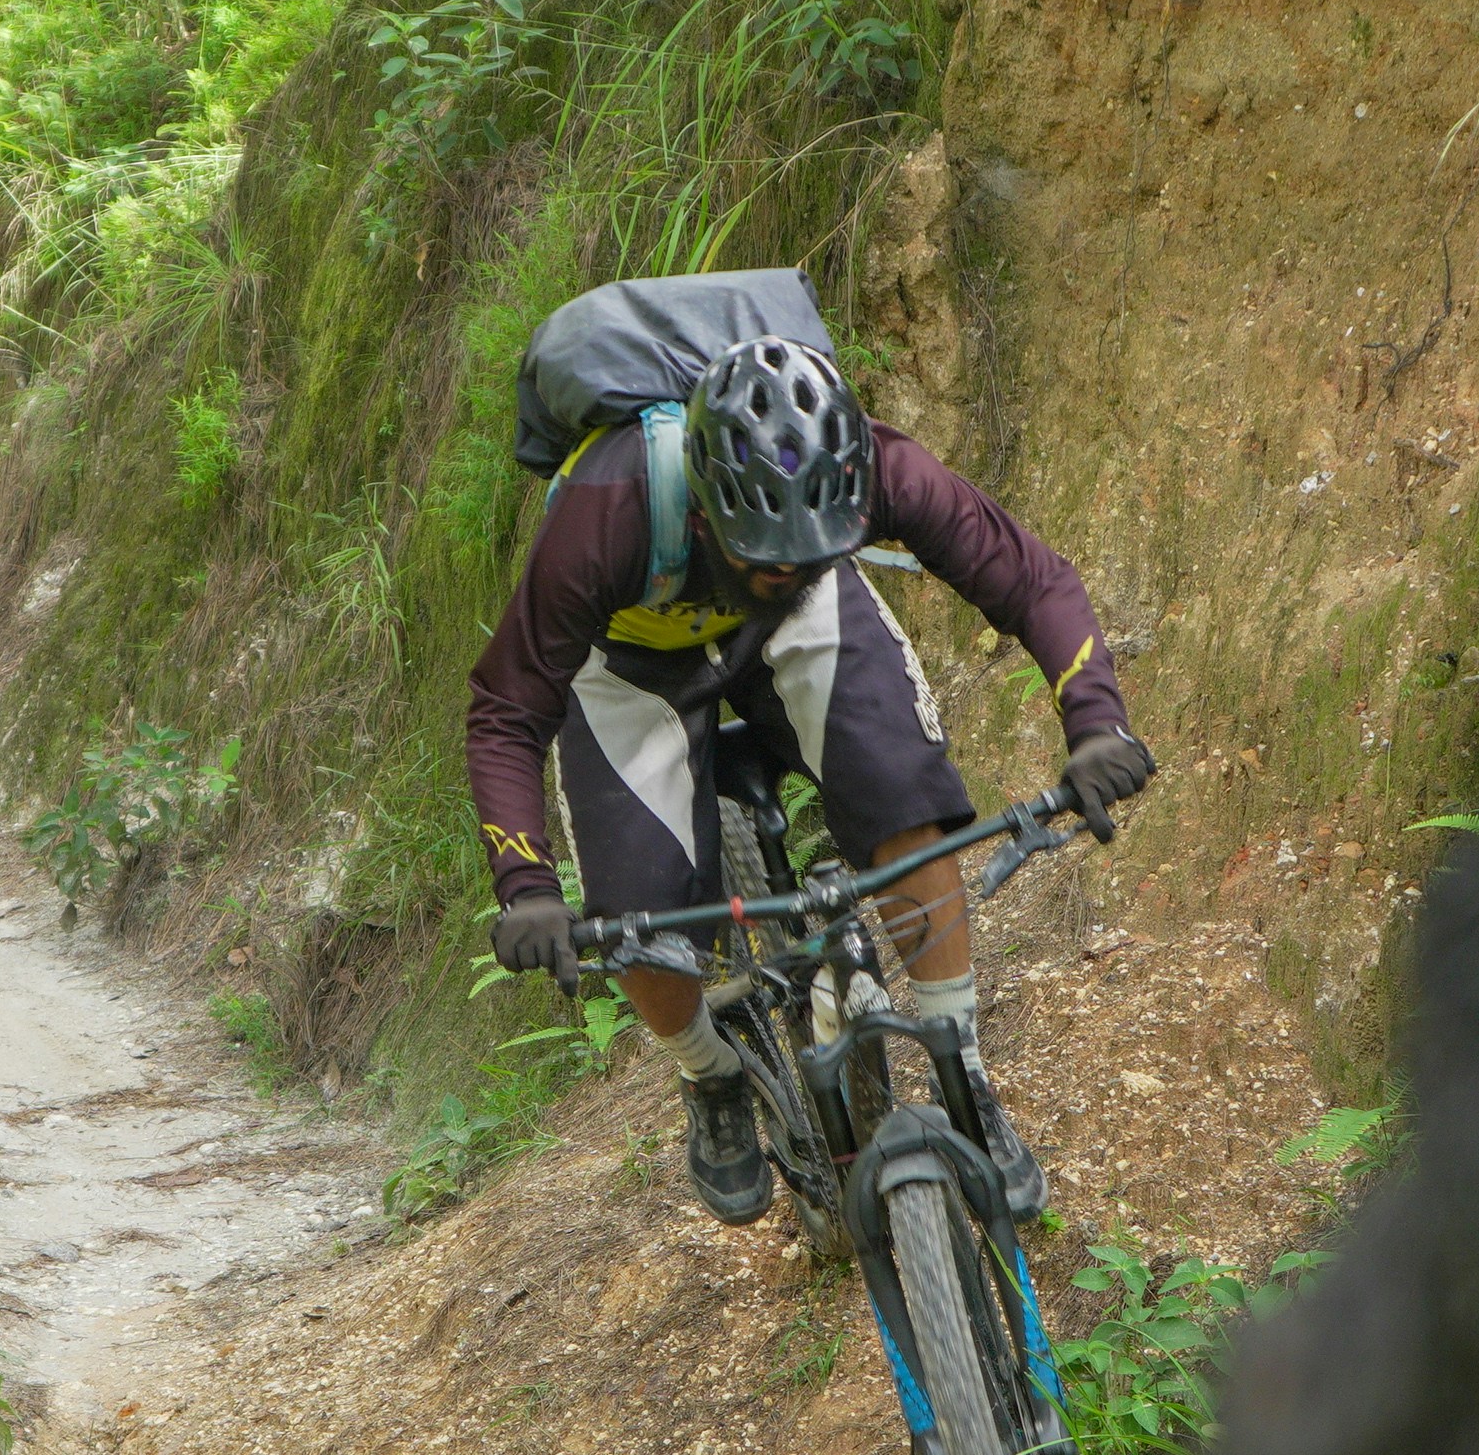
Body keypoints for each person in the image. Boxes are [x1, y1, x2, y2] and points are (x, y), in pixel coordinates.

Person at [465, 336, 1155, 1227]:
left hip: (796, 626)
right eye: (761, 553)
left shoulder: (876, 471)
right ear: (707, 510)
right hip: (632, 665)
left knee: (905, 794)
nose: (777, 568)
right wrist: (526, 887)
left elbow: (1029, 577)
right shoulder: (605, 511)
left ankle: (962, 1069)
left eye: (804, 547)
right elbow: (506, 709)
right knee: (639, 916)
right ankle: (708, 1073)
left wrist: (1096, 722)